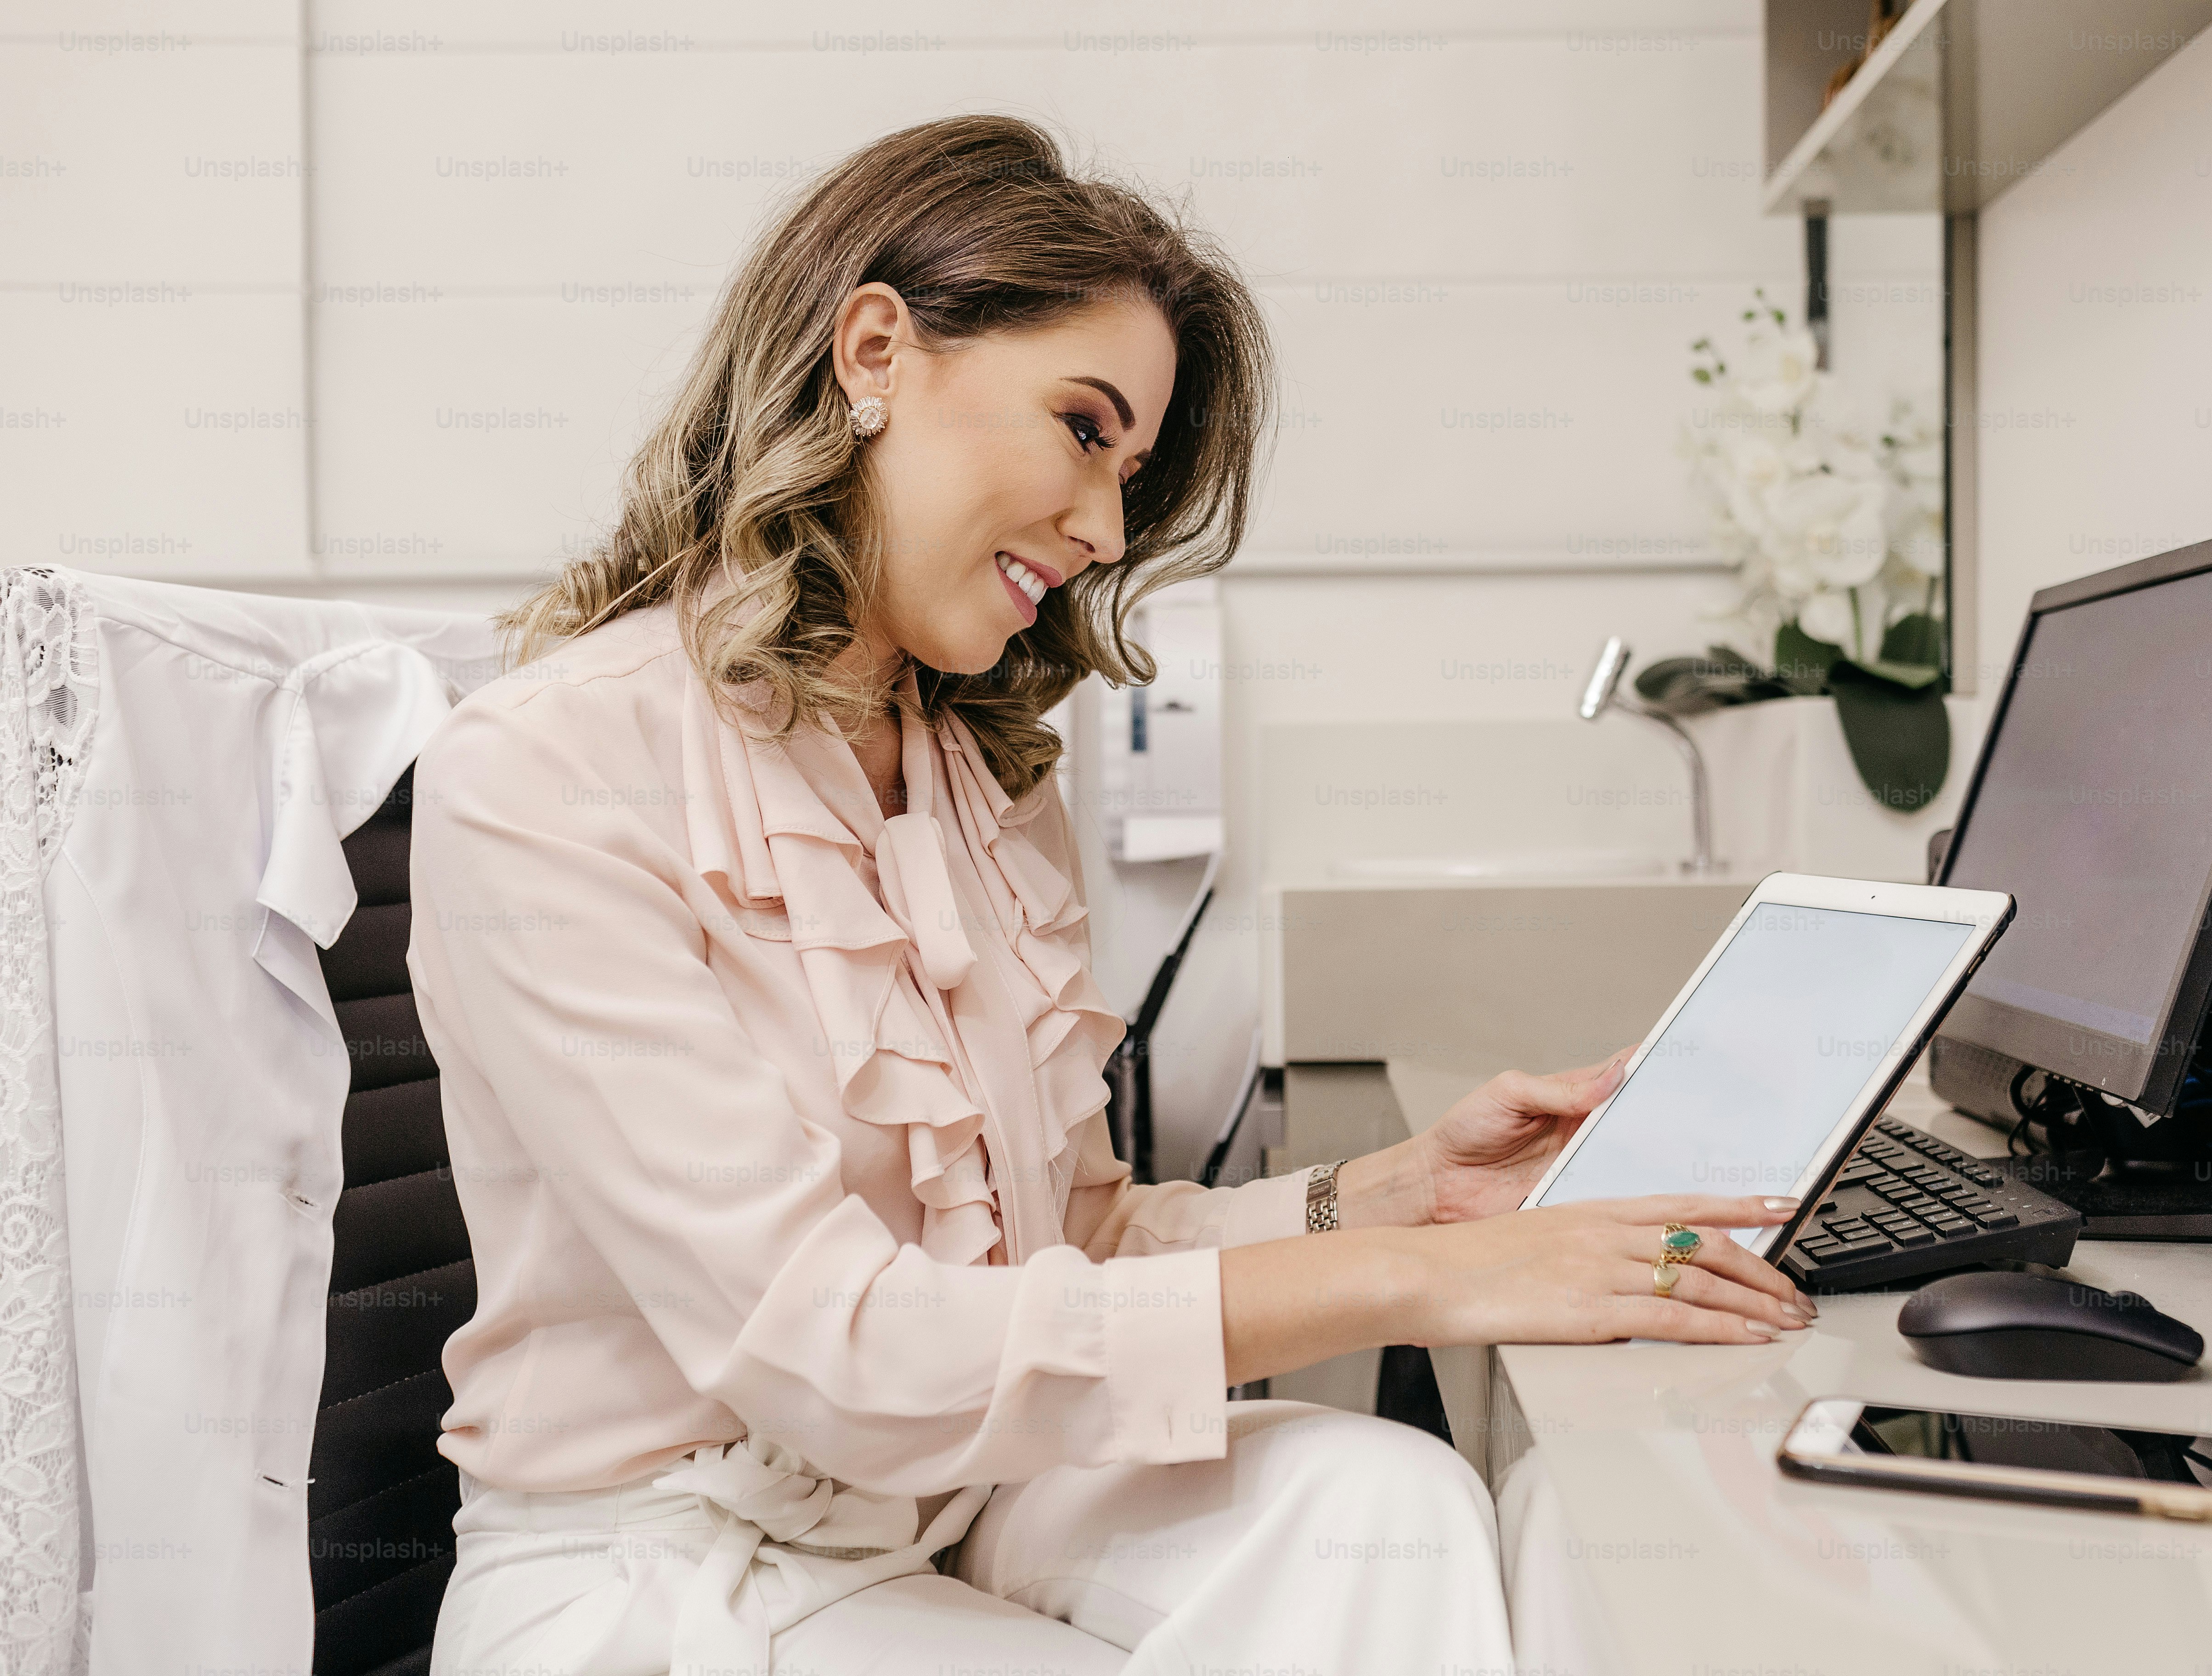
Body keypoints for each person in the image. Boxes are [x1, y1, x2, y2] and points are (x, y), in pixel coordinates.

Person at [413, 113, 1817, 1676]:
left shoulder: (982, 777)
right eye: (1085, 429)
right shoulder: (542, 772)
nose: (1106, 532)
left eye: (1134, 472)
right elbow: (838, 1352)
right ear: (875, 350)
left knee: (1389, 1500)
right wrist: (1424, 1281)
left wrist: (1395, 1196)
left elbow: (1067, 1246)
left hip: (944, 1510)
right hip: (666, 1578)